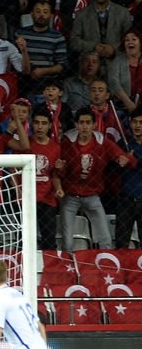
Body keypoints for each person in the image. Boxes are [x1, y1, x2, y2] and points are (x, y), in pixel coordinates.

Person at [58, 107, 136, 250]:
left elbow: (122, 157)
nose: (84, 126)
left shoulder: (102, 142)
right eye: (81, 122)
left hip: (92, 196)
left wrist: (125, 159)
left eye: (88, 122)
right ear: (76, 124)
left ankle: (103, 267)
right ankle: (67, 270)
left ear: (94, 125)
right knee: (67, 241)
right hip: (70, 196)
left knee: (105, 239)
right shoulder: (67, 142)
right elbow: (58, 169)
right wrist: (59, 167)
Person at [29, 108, 65, 250]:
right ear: (32, 124)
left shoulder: (55, 147)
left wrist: (59, 188)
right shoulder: (25, 144)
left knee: (49, 240)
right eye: (37, 123)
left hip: (48, 199)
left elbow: (54, 175)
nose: (40, 126)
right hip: (27, 198)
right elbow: (14, 170)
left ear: (50, 126)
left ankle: (50, 270)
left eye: (44, 123)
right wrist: (18, 190)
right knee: (25, 239)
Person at [118, 110, 142, 248]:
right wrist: (120, 161)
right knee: (121, 243)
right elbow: (111, 166)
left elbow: (137, 163)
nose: (137, 125)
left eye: (141, 123)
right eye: (134, 122)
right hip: (125, 200)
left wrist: (135, 161)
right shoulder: (123, 143)